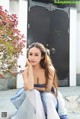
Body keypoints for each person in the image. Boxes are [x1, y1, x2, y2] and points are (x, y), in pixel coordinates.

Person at [11, 42, 68, 119]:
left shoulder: (50, 69)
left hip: (47, 93)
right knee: (34, 93)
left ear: (42, 56)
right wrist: (30, 68)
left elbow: (47, 89)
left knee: (47, 96)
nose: (32, 58)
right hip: (30, 95)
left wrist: (34, 88)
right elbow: (30, 88)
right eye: (30, 54)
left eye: (36, 55)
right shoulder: (26, 70)